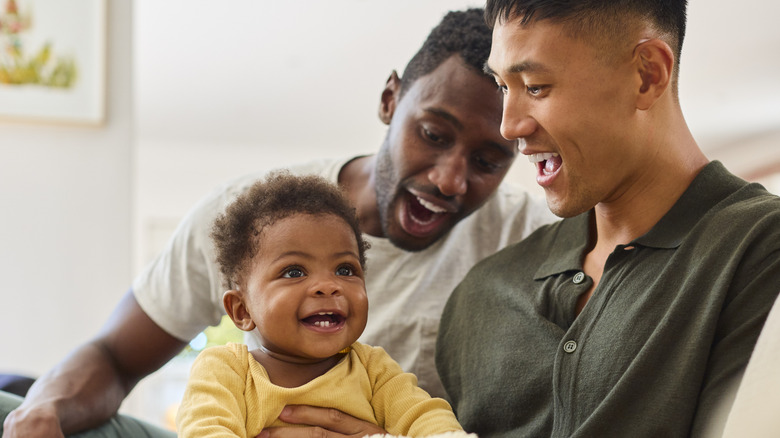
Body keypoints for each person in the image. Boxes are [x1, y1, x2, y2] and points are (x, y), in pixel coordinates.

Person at [1, 8, 555, 438]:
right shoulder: (249, 219)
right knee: (11, 404)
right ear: (391, 100)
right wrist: (43, 410)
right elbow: (115, 356)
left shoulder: (533, 239)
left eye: (488, 161)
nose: (450, 180)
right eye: (433, 135)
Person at [435, 1, 780, 437]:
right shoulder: (480, 296)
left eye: (536, 86)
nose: (509, 126)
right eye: (504, 86)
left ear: (647, 75)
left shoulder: (759, 251)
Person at [176, 172, 463, 437]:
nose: (329, 285)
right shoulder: (226, 372)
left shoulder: (375, 371)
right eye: (294, 272)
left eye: (345, 270)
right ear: (242, 310)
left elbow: (429, 422)